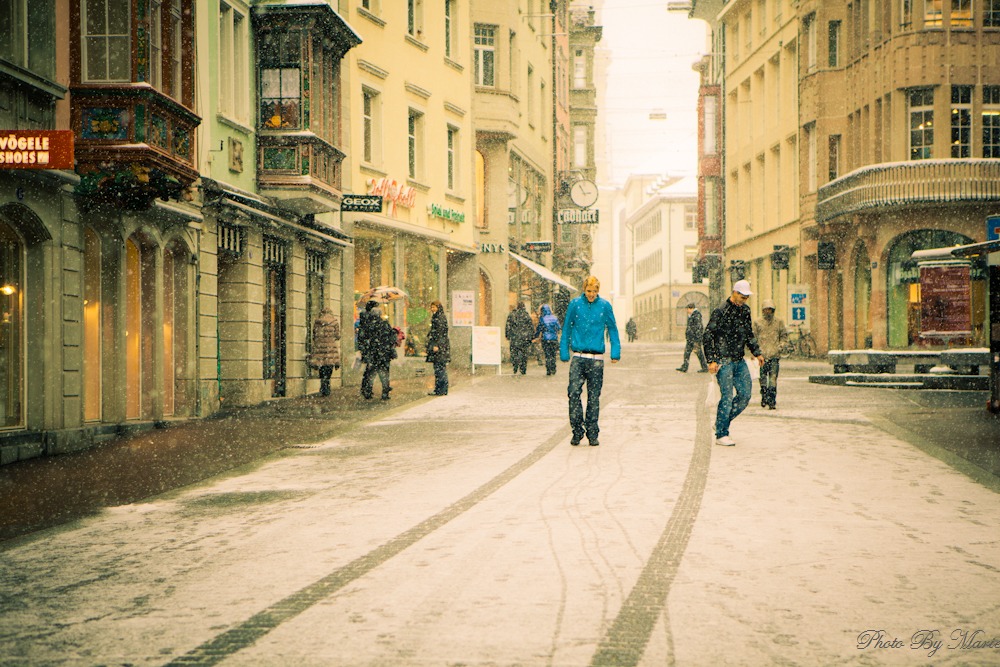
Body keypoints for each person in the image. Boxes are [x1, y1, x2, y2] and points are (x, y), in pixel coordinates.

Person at [559, 276, 621, 447]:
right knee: (573, 393)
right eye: (588, 291)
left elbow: (613, 329)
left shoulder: (605, 306)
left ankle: (592, 432)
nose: (591, 294)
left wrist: (615, 352)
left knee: (594, 397)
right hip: (578, 357)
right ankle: (577, 430)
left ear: (598, 291)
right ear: (584, 290)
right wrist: (564, 350)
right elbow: (567, 328)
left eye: (594, 291)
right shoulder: (575, 305)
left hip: (596, 359)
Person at [703, 279, 765, 447]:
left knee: (745, 395)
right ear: (734, 293)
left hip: (738, 359)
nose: (745, 300)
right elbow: (708, 335)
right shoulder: (721, 311)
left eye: (747, 297)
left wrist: (757, 352)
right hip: (724, 360)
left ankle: (721, 422)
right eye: (743, 296)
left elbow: (748, 333)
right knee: (727, 397)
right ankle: (722, 434)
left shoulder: (745, 311)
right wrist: (711, 360)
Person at [752, 299, 789, 410]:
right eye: (766, 310)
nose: (768, 312)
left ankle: (772, 400)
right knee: (763, 379)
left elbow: (783, 336)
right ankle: (764, 396)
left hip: (774, 355)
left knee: (773, 379)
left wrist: (781, 346)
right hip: (761, 356)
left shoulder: (778, 322)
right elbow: (753, 338)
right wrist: (754, 352)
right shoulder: (757, 323)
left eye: (770, 310)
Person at [357, 300, 395, 400]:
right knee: (384, 373)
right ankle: (385, 392)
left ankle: (367, 391)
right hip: (384, 353)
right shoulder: (384, 324)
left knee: (371, 373)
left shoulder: (368, 325)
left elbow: (363, 338)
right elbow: (391, 338)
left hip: (373, 353)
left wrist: (365, 350)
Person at [309, 308, 341, 397]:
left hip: (319, 347)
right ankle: (327, 385)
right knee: (329, 366)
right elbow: (338, 336)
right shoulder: (334, 322)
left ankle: (323, 385)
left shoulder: (317, 322)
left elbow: (314, 335)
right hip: (330, 347)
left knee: (322, 366)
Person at [425, 300, 451, 396]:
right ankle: (441, 389)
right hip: (442, 346)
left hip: (440, 347)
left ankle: (441, 389)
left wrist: (437, 345)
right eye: (431, 307)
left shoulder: (439, 318)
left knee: (439, 368)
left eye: (434, 307)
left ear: (438, 307)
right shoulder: (438, 317)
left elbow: (440, 333)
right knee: (440, 367)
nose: (432, 309)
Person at [676, 303, 708, 373]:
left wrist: (696, 339)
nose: (687, 311)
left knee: (698, 353)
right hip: (691, 339)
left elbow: (698, 328)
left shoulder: (696, 315)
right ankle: (685, 367)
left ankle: (704, 367)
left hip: (694, 339)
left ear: (691, 308)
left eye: (687, 309)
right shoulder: (692, 315)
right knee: (687, 353)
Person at [505, 302, 534, 375]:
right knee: (524, 353)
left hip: (515, 337)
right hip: (525, 338)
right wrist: (531, 337)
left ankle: (515, 365)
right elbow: (531, 327)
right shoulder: (526, 316)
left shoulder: (512, 315)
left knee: (514, 352)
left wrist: (508, 335)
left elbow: (508, 326)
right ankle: (523, 368)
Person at [534, 304, 561, 376]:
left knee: (547, 354)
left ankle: (548, 369)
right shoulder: (555, 318)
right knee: (553, 354)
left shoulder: (542, 318)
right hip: (553, 339)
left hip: (545, 339)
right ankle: (553, 368)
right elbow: (558, 327)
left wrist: (535, 336)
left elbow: (539, 329)